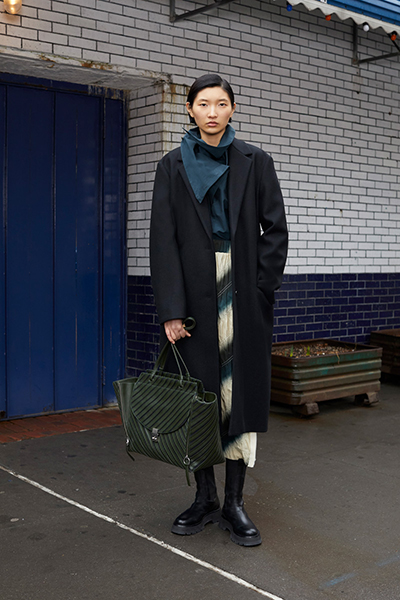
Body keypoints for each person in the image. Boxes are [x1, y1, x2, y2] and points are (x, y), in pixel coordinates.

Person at [150, 74, 288, 547]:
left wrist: (262, 288)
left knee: (237, 395)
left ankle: (234, 502)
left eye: (221, 103)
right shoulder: (171, 166)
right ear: (190, 109)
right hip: (192, 297)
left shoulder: (255, 161)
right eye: (204, 104)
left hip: (242, 292)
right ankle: (204, 496)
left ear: (232, 109)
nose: (212, 112)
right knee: (199, 396)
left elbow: (276, 229)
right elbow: (163, 240)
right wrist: (171, 309)